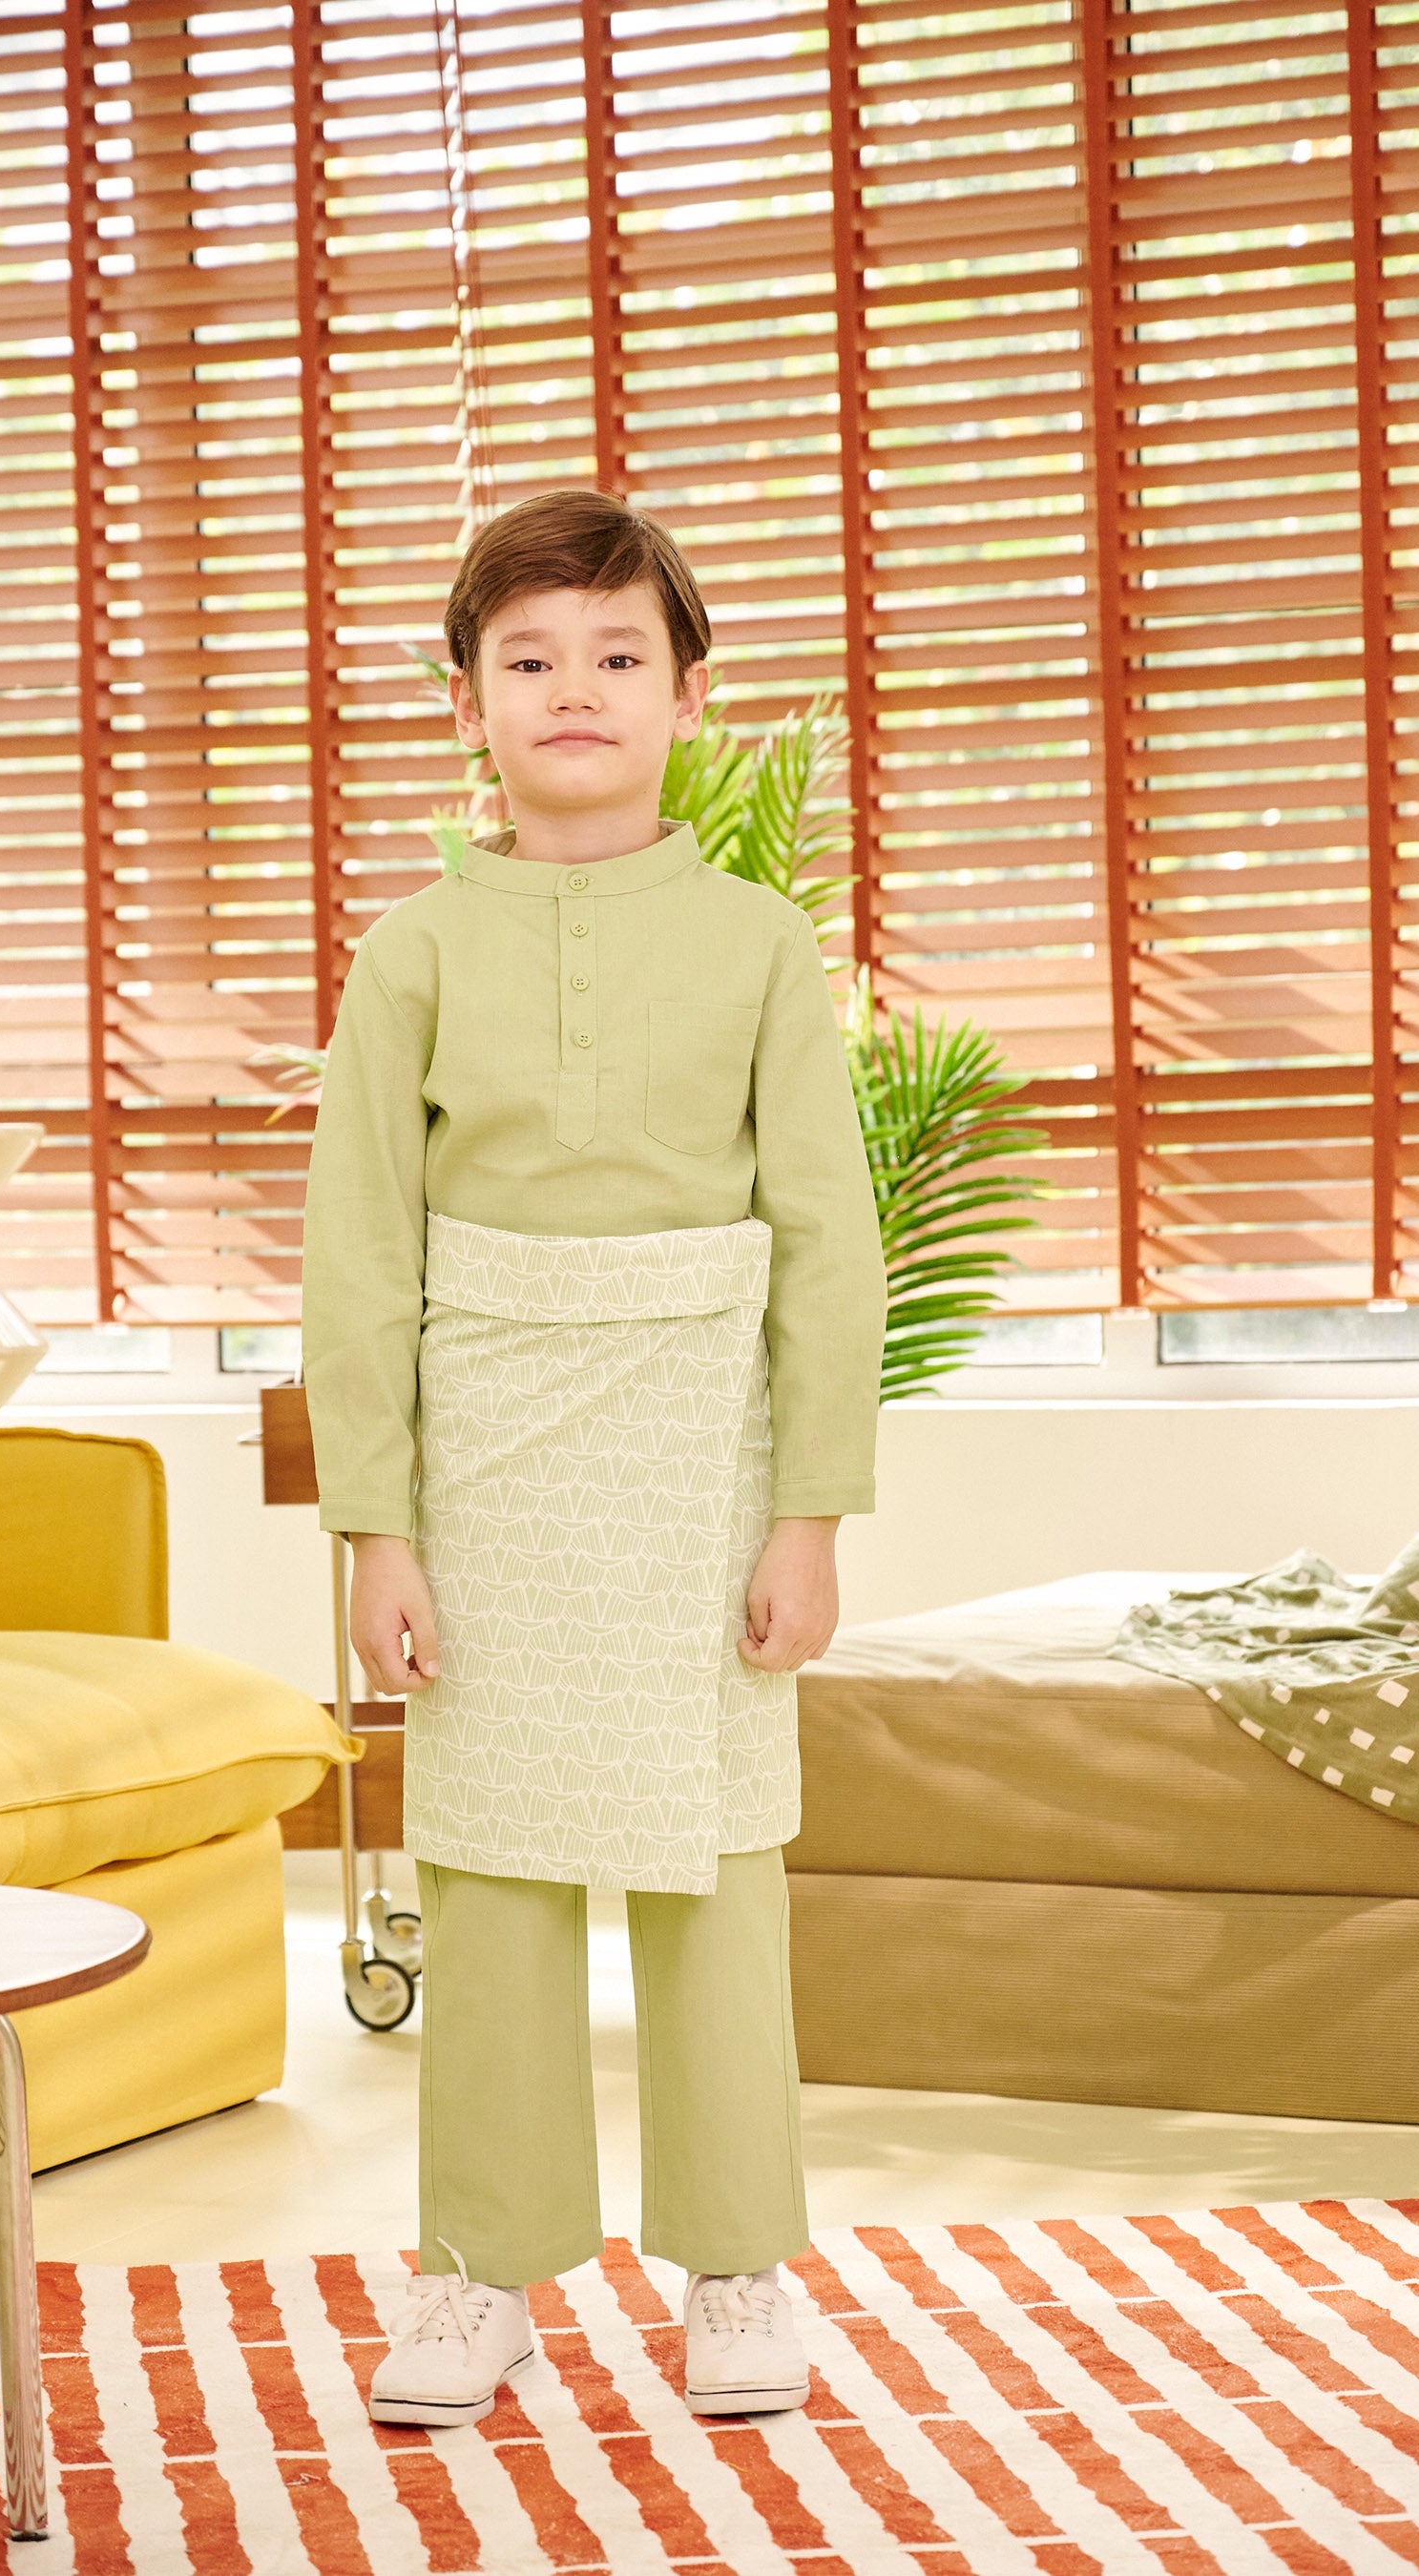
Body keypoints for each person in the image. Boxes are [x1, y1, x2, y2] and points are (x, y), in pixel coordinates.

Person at [300, 487, 886, 2428]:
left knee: (720, 1866)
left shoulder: (761, 947)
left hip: (703, 1444)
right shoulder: (411, 954)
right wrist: (376, 1530)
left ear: (689, 696)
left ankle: (739, 2265)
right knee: (493, 1875)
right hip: (487, 1462)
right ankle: (480, 2266)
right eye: (528, 659)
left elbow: (829, 1238)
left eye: (618, 655)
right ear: (468, 701)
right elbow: (363, 1255)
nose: (575, 690)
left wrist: (807, 1511)